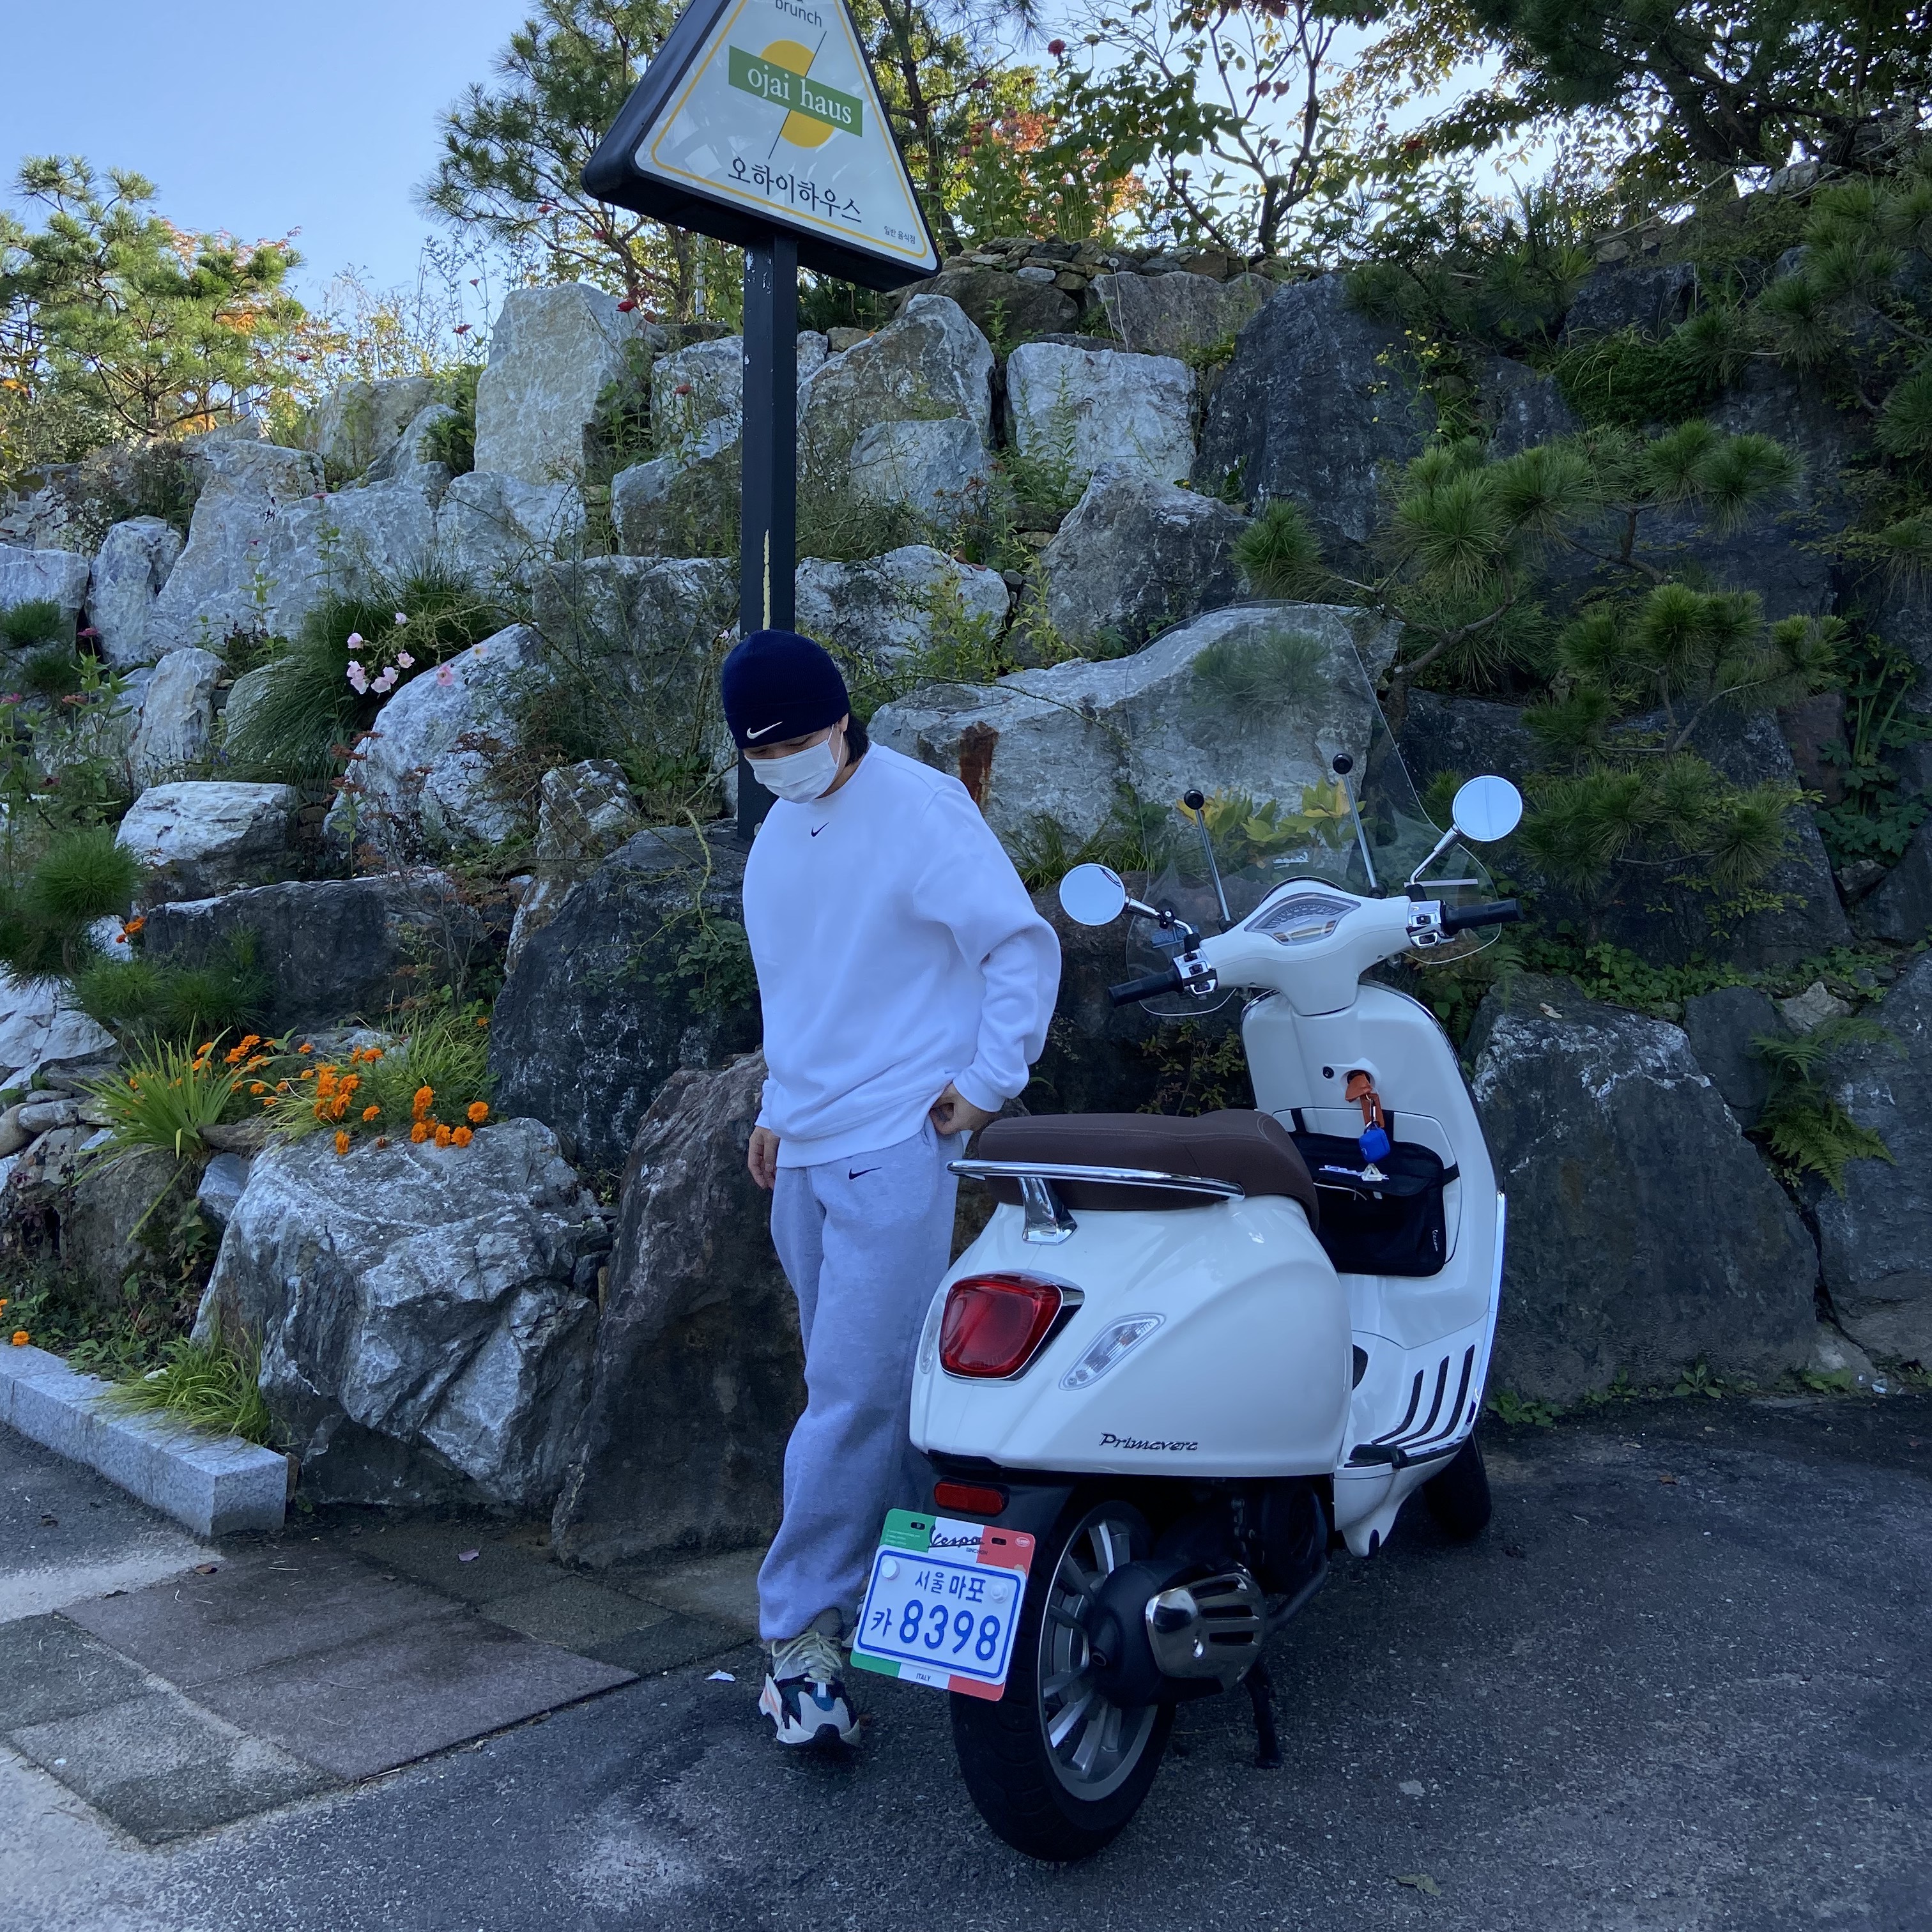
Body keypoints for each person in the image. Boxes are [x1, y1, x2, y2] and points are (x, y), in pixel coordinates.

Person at [723, 627, 1061, 1749]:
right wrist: (776, 1102)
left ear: (841, 717)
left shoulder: (919, 809)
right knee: (882, 1385)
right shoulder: (782, 832)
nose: (780, 761)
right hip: (807, 1146)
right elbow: (800, 991)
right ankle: (920, 1588)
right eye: (759, 751)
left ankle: (798, 1637)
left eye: (795, 740)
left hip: (893, 1142)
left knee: (855, 1394)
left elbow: (1018, 947)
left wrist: (988, 1083)